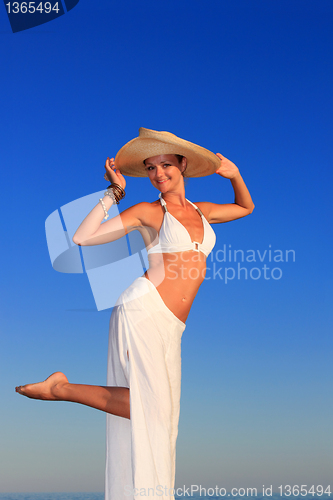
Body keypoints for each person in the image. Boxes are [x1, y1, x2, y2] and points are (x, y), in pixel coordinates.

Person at [15, 128, 254, 500]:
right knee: (150, 410)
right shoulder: (147, 212)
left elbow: (245, 208)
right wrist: (114, 193)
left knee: (163, 421)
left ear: (183, 165)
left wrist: (235, 175)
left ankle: (145, 490)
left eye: (166, 165)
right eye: (151, 168)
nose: (159, 174)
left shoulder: (202, 213)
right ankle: (59, 389)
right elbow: (83, 238)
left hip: (173, 326)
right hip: (143, 307)